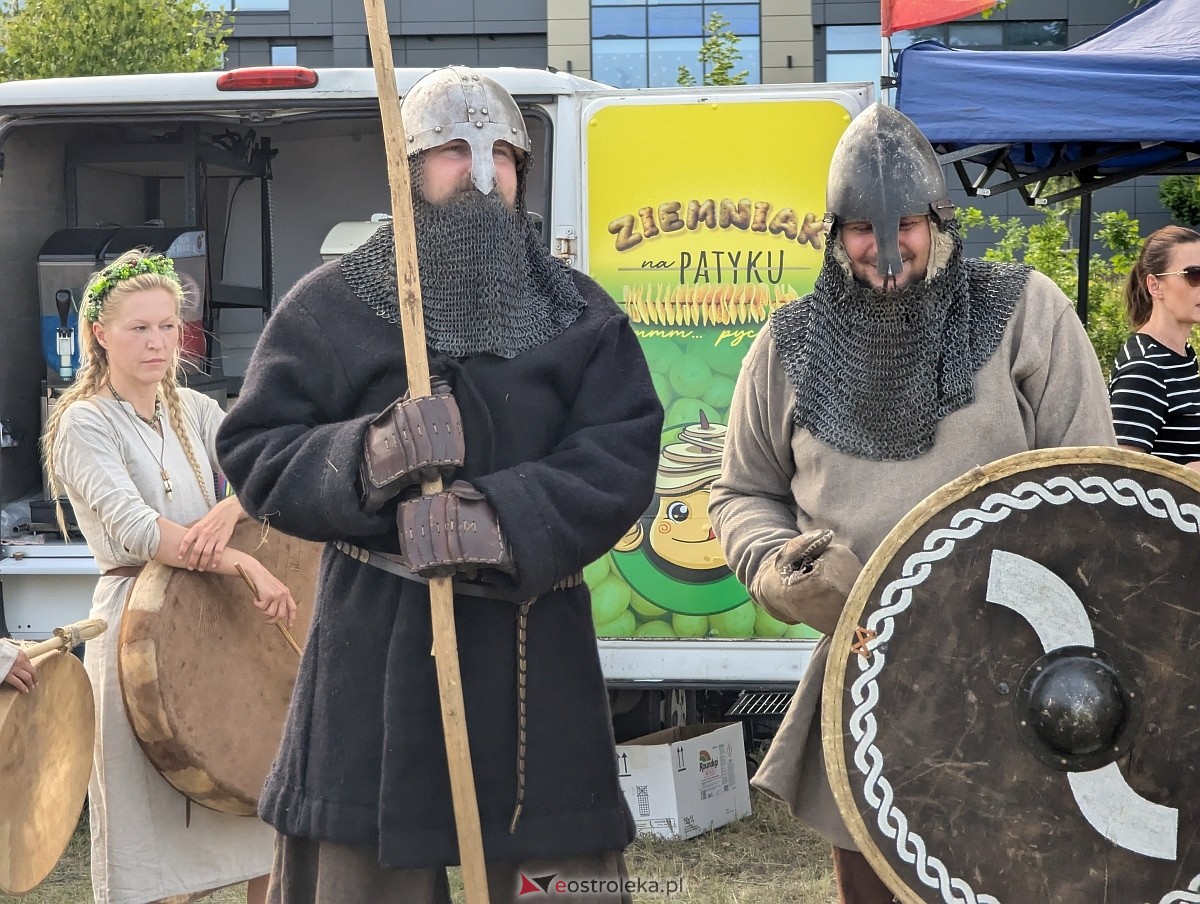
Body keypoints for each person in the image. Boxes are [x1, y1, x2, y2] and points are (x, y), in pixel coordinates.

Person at [215, 66, 663, 904]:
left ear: (522, 171)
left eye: (500, 154)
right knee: (358, 881)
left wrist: (504, 516)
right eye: (455, 150)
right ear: (408, 167)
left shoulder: (579, 313)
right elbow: (255, 447)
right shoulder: (332, 306)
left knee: (558, 880)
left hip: (536, 652)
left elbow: (624, 451)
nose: (481, 171)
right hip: (376, 645)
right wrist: (367, 455)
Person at [708, 104, 1117, 904]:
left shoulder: (1024, 313)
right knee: (875, 886)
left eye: (905, 224)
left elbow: (1093, 482)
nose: (885, 248)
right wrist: (778, 564)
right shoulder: (789, 346)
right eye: (862, 227)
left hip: (1019, 669)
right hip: (867, 673)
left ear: (940, 218)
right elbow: (742, 490)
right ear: (833, 233)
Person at [42, 249, 297, 904]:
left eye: (167, 327)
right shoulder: (83, 421)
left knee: (260, 815)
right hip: (135, 631)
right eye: (139, 328)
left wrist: (232, 506)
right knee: (152, 852)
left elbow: (261, 470)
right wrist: (237, 557)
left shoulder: (195, 409)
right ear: (100, 333)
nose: (158, 343)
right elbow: (135, 529)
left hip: (223, 628)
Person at [1109, 224, 1200, 471]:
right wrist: (1189, 473)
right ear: (1155, 285)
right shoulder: (1145, 369)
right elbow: (1121, 478)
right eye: (1194, 275)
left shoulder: (1181, 357)